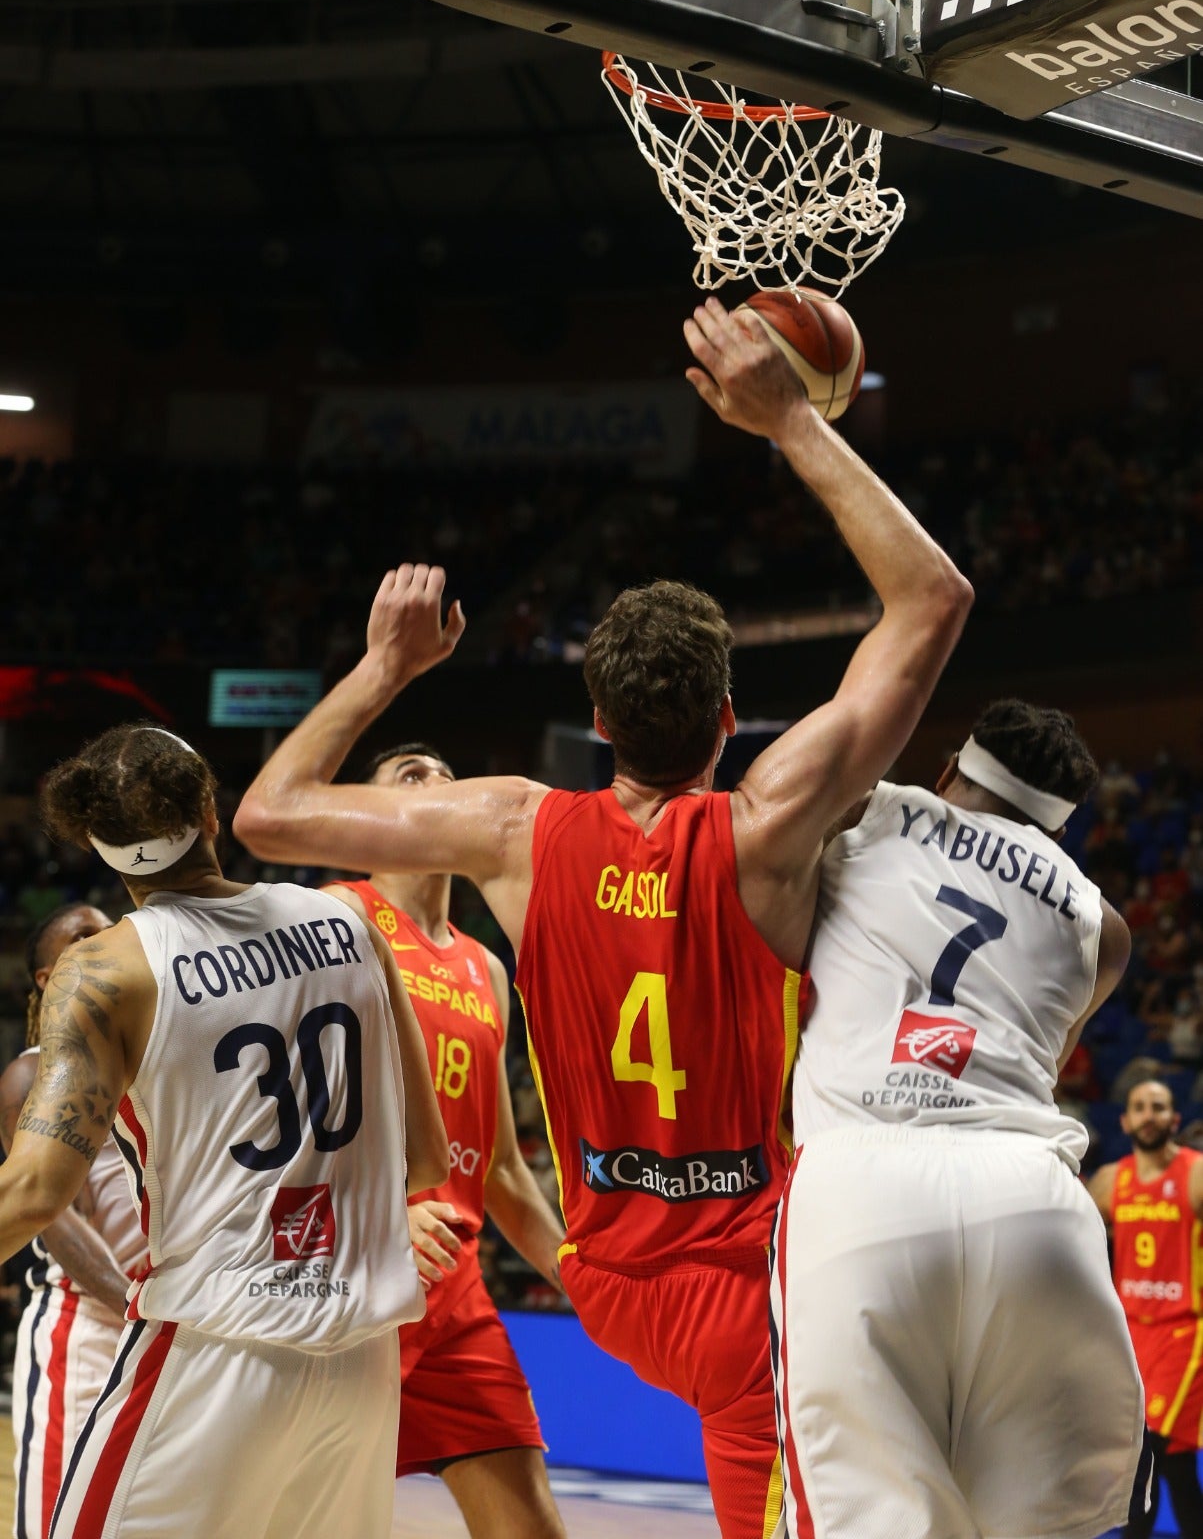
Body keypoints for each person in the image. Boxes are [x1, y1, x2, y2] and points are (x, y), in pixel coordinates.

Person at [234, 295, 973, 1539]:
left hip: (608, 1280)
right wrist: (788, 420)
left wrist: (387, 670)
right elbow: (933, 600)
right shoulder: (763, 822)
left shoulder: (518, 830)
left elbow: (267, 811)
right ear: (730, 723)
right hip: (754, 1281)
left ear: (602, 727)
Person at [0, 723, 448, 1539]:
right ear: (211, 811)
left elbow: (33, 1190)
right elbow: (423, 1159)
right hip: (360, 1357)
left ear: (98, 844)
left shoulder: (106, 969)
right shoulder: (347, 923)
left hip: (214, 1350)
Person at [771, 699, 1144, 1539]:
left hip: (865, 1179)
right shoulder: (1104, 928)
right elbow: (1048, 1054)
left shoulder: (868, 811)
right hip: (1033, 1198)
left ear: (948, 771)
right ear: (1059, 824)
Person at [323, 742, 567, 1539]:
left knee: (529, 1525)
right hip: (349, 1271)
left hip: (453, 1285)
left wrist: (578, 1272)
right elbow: (292, 1107)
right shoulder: (340, 916)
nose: (438, 785)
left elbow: (497, 1164)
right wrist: (384, 1207)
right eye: (410, 776)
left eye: (446, 777)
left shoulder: (484, 968)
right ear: (369, 816)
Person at [0, 903, 147, 1539]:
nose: (105, 940)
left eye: (109, 929)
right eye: (84, 935)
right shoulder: (33, 1072)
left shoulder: (148, 1066)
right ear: (45, 977)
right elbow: (54, 1220)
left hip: (160, 1318)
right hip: (85, 1324)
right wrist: (133, 1307)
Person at [1089, 1078, 1203, 1539]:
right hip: (1131, 1334)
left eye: (1158, 1107)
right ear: (1125, 1120)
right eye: (1139, 1107)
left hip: (1183, 1335)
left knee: (1148, 1455)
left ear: (1174, 1119)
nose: (1148, 1114)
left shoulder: (1195, 1174)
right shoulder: (1109, 1180)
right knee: (1170, 1465)